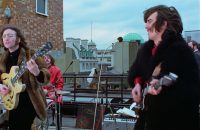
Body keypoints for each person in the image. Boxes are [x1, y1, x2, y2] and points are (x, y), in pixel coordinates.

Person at [127, 5, 199, 130]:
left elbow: (192, 92)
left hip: (175, 122)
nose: (146, 26)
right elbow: (137, 72)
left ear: (163, 24)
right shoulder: (145, 50)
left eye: (149, 21)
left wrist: (161, 88)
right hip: (147, 119)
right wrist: (138, 84)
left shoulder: (181, 51)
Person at [0, 26, 50, 130]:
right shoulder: (2, 58)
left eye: (10, 35)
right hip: (12, 101)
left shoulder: (30, 54)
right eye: (4, 36)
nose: (6, 38)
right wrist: (1, 86)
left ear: (18, 39)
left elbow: (46, 74)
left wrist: (37, 72)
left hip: (30, 101)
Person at [42, 54, 64, 126]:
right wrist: (42, 91)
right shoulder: (39, 70)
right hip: (42, 93)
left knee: (58, 100)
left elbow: (60, 85)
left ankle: (57, 122)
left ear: (51, 59)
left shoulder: (57, 70)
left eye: (48, 58)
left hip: (53, 92)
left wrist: (54, 92)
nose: (46, 59)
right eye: (44, 58)